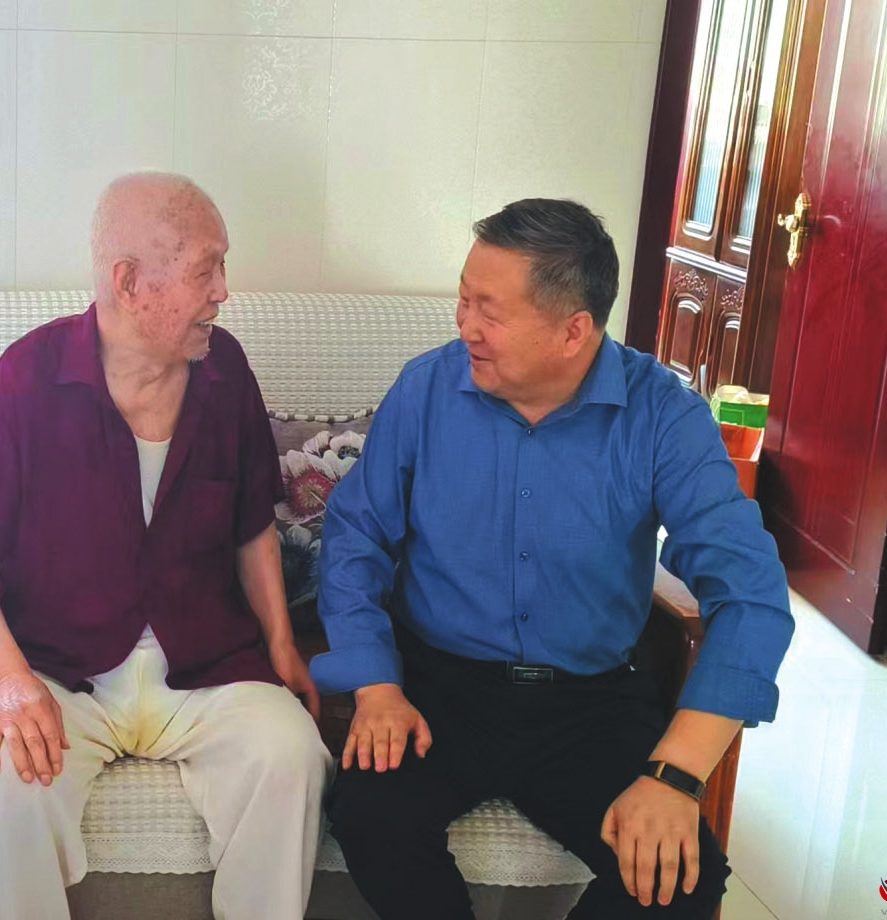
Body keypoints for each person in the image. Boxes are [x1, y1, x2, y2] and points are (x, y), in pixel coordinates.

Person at [310, 198, 794, 919]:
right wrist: (377, 686)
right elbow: (355, 537)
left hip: (590, 701)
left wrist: (675, 776)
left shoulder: (663, 415)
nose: (465, 326)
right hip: (439, 686)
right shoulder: (426, 390)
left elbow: (751, 594)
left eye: (490, 311)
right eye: (464, 299)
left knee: (681, 884)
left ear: (574, 330)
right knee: (371, 816)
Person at [0, 172, 330, 920]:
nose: (223, 292)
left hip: (206, 664)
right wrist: (9, 679)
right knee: (7, 786)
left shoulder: (225, 370)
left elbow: (252, 526)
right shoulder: (26, 380)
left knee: (292, 756)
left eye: (223, 267)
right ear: (128, 281)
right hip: (60, 669)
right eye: (205, 270)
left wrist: (282, 645)